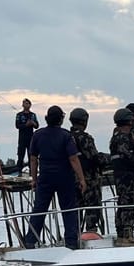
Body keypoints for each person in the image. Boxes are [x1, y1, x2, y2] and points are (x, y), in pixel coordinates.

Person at [23, 106, 87, 250]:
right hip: (65, 177)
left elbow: (33, 159)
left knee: (39, 208)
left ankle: (30, 240)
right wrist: (82, 179)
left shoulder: (38, 135)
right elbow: (73, 159)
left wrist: (33, 179)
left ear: (47, 118)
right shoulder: (66, 135)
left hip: (45, 177)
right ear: (61, 119)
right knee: (69, 208)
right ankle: (71, 241)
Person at [69, 107, 109, 233]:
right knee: (92, 206)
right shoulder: (85, 138)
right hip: (89, 179)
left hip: (72, 179)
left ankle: (74, 233)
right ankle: (91, 232)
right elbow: (94, 157)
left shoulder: (66, 137)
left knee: (76, 209)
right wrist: (110, 158)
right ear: (84, 121)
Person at [110, 108, 134, 246]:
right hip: (126, 176)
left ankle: (122, 234)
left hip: (121, 176)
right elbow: (130, 158)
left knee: (124, 203)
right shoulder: (123, 139)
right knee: (131, 203)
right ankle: (127, 235)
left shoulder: (116, 138)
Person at [15, 98, 39, 169]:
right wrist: (26, 125)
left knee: (31, 155)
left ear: (30, 105)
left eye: (28, 103)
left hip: (30, 138)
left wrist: (33, 123)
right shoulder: (19, 115)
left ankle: (31, 172)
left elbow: (37, 126)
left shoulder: (33, 115)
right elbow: (17, 125)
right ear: (22, 105)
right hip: (22, 138)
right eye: (25, 103)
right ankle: (19, 170)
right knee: (20, 155)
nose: (26, 105)